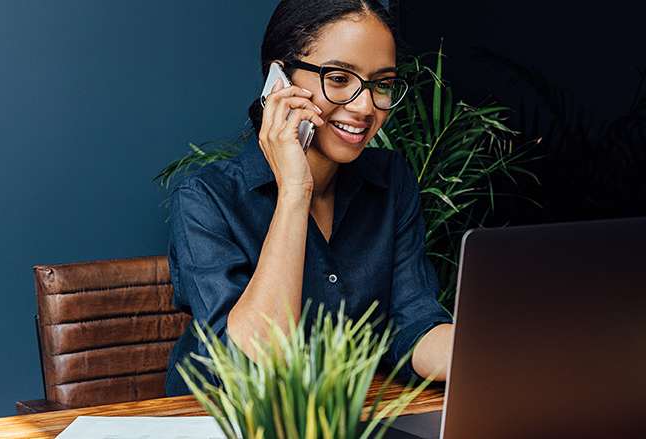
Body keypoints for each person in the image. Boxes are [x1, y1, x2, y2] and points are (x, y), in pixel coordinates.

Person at [164, 0, 454, 396]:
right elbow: (249, 366)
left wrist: (494, 353)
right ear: (279, 80)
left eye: (382, 84)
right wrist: (294, 194)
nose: (365, 106)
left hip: (343, 418)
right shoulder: (205, 198)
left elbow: (414, 323)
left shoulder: (391, 180)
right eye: (338, 78)